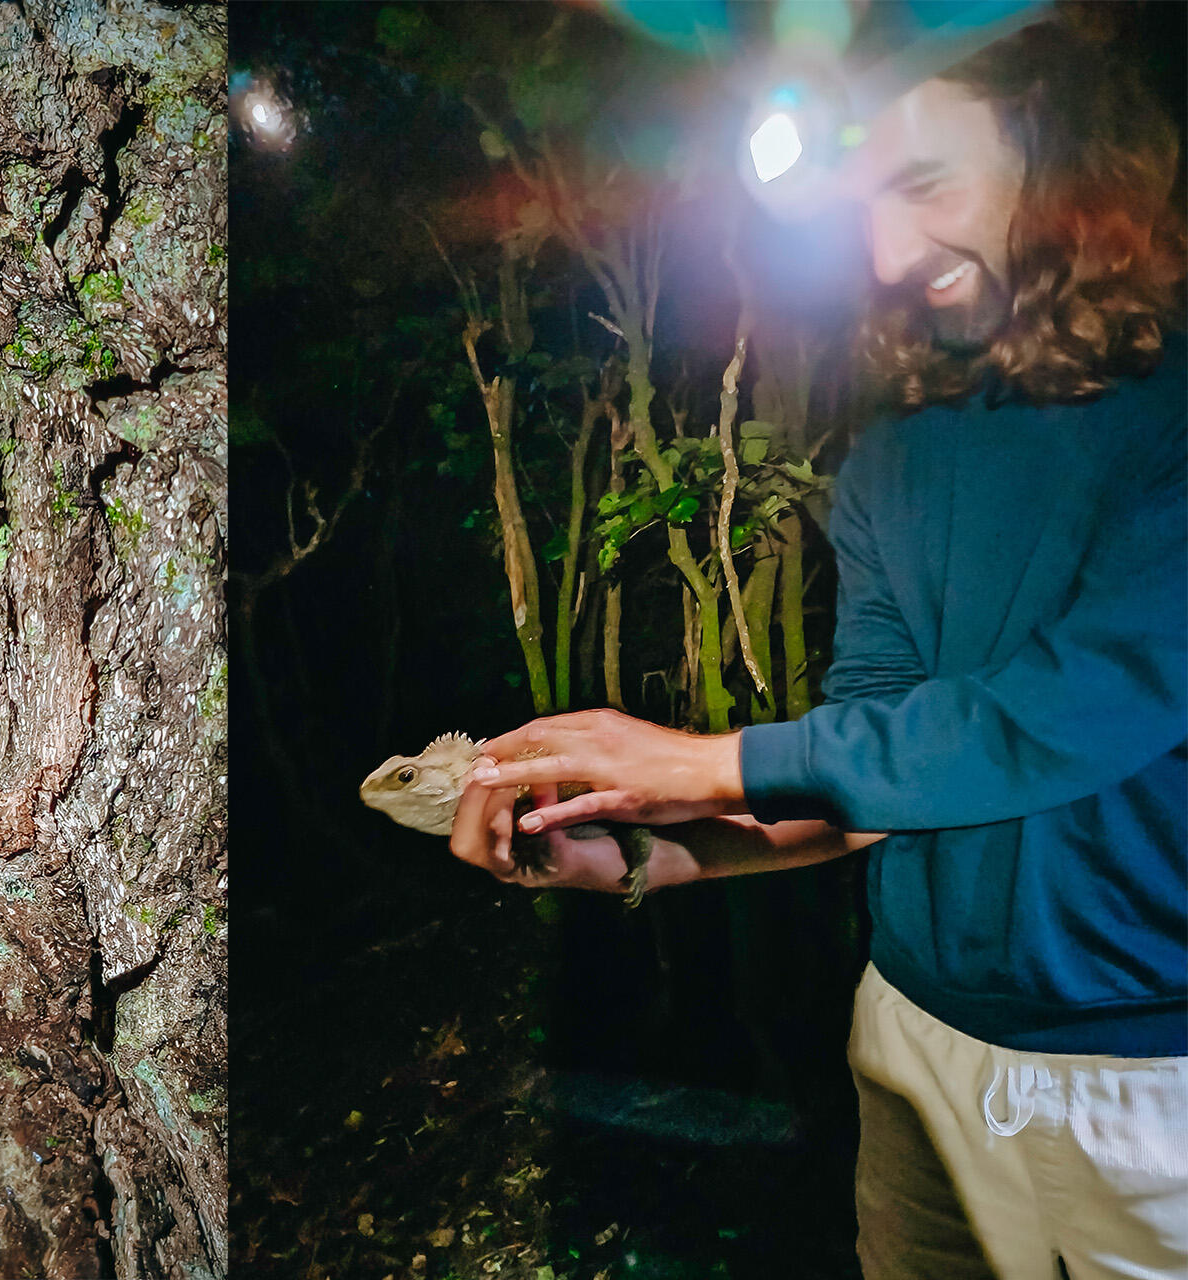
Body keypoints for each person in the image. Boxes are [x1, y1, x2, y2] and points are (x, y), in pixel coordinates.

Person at [450, 15, 1186, 1280]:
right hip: (912, 1053)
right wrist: (648, 850)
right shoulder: (893, 456)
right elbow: (869, 784)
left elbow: (1070, 710)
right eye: (857, 209)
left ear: (1057, 147)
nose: (892, 252)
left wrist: (706, 759)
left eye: (924, 181)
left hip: (1154, 1087)